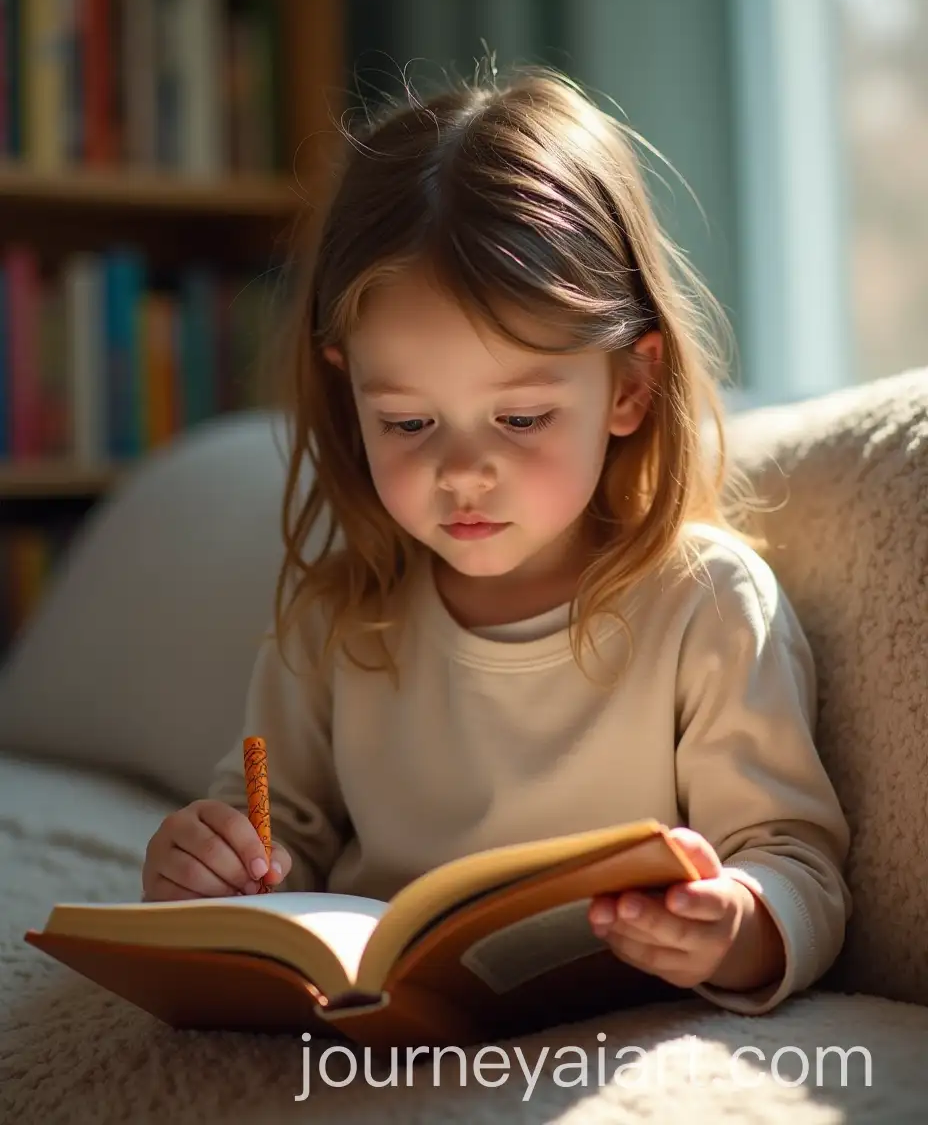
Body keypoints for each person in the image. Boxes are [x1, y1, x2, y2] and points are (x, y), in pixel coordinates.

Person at [141, 65, 851, 1015]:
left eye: (519, 420)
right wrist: (209, 863)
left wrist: (735, 923)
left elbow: (794, 859)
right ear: (349, 393)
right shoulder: (336, 621)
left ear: (630, 389)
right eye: (407, 423)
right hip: (379, 1028)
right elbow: (275, 835)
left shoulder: (708, 604)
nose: (462, 474)